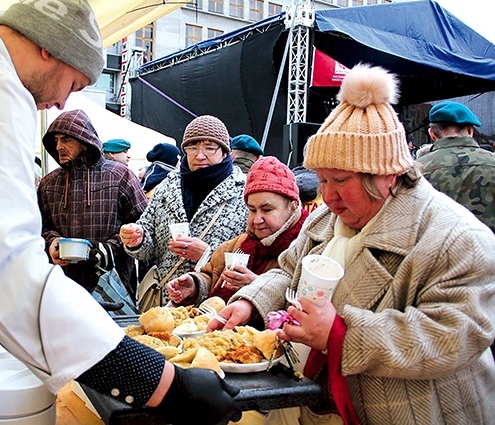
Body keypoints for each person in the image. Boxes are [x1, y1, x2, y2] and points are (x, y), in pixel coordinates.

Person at [0, 0, 242, 423]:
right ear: (48, 48)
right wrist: (164, 385)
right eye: (73, 84)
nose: (61, 103)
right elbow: (7, 271)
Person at [210, 64, 495, 424]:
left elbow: (453, 336)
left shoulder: (456, 238)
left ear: (386, 175)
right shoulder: (326, 219)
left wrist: (341, 333)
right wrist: (252, 302)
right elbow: (287, 271)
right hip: (313, 402)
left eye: (340, 180)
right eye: (322, 180)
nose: (327, 196)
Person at [120, 115, 249, 306]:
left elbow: (252, 255)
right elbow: (148, 248)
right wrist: (136, 239)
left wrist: (209, 255)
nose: (200, 155)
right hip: (167, 304)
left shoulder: (244, 191)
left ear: (225, 152)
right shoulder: (167, 187)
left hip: (217, 307)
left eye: (209, 148)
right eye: (192, 147)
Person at [166, 156, 308, 306]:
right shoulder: (239, 244)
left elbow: (306, 303)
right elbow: (210, 275)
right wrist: (194, 286)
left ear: (293, 206)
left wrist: (258, 288)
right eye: (252, 210)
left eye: (267, 210)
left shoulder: (307, 248)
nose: (257, 220)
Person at [37, 109, 147, 299]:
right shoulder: (49, 183)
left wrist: (108, 250)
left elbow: (143, 224)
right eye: (56, 141)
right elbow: (39, 226)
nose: (59, 146)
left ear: (85, 141)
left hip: (114, 284)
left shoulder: (120, 176)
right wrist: (52, 242)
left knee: (115, 330)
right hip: (61, 286)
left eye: (66, 139)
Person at [417, 100, 495, 233]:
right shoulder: (492, 162)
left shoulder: (417, 170)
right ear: (470, 130)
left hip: (436, 251)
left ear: (432, 134)